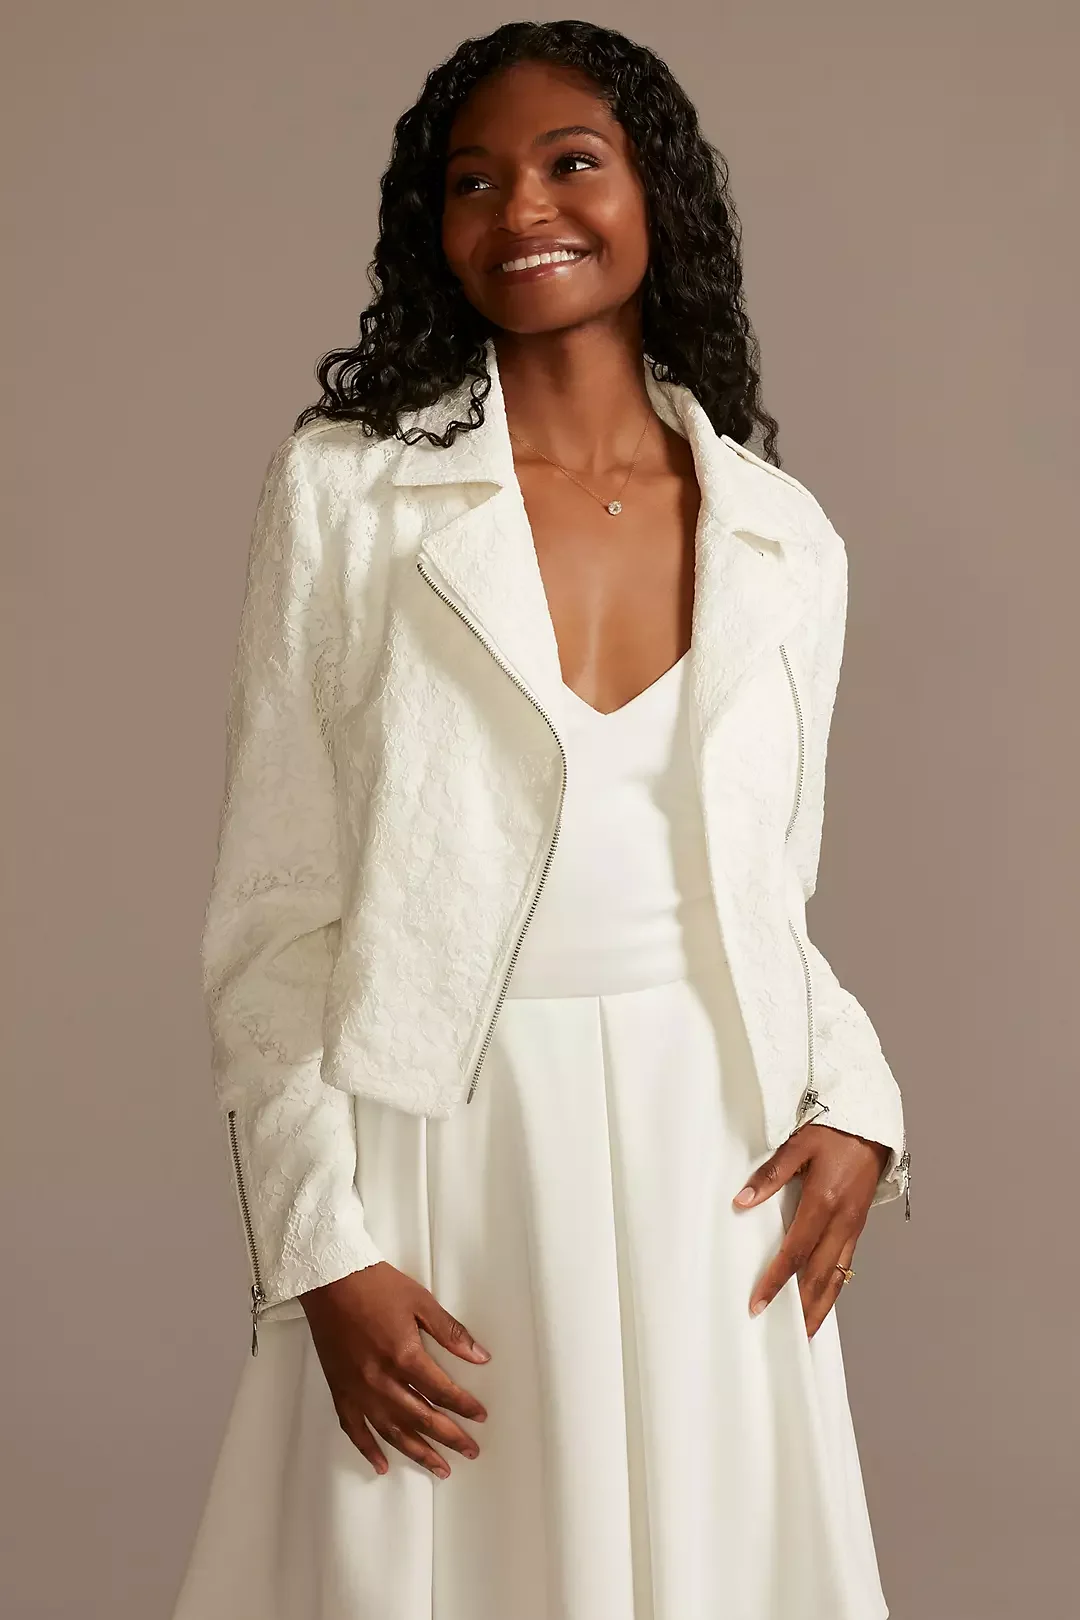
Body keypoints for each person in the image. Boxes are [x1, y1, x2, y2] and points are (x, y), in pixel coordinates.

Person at [171, 19, 910, 1620]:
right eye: (474, 182)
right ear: (431, 229)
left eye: (572, 164)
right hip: (443, 1142)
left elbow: (773, 895)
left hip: (709, 1150)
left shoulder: (785, 539)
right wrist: (324, 1247)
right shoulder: (347, 497)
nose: (523, 211)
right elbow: (276, 911)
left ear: (658, 198)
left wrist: (859, 1105)